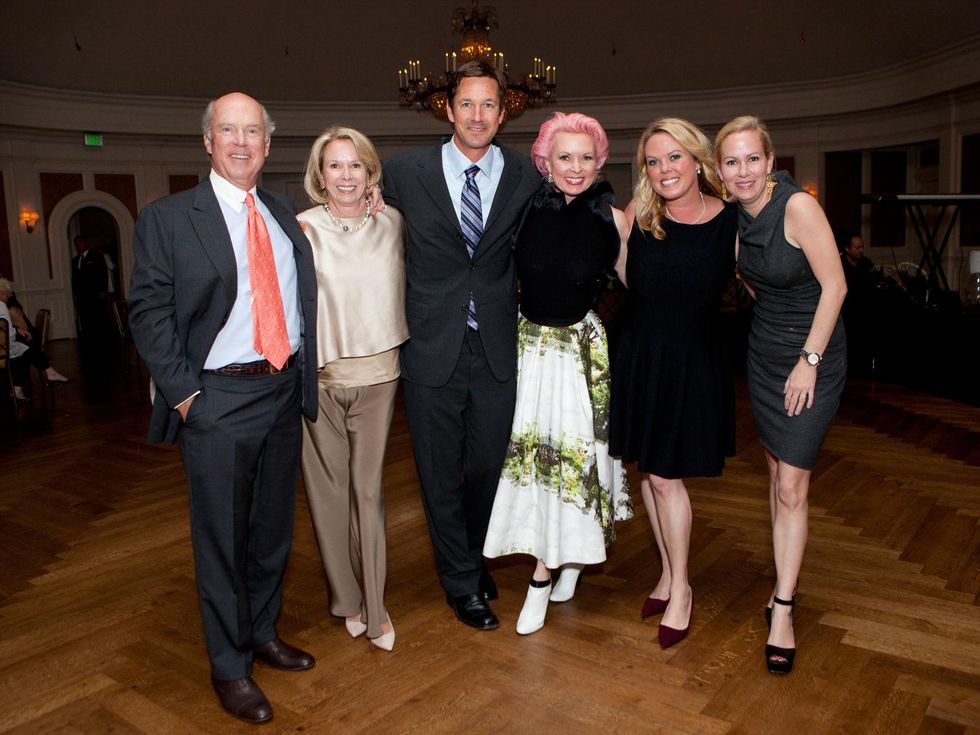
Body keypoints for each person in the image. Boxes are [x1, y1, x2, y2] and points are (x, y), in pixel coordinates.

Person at [128, 92, 319, 724]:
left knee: (271, 532)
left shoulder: (283, 211)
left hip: (282, 390)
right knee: (222, 541)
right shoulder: (168, 218)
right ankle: (229, 666)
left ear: (268, 144)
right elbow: (149, 314)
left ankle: (261, 632)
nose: (241, 142)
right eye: (228, 131)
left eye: (252, 132)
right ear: (208, 142)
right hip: (217, 399)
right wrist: (187, 397)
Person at [382, 60, 541, 631]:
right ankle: (461, 581)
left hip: (498, 346)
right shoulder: (404, 172)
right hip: (430, 346)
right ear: (448, 108)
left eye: (488, 105)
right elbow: (355, 211)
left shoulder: (526, 174)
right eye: (467, 104)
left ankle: (470, 557)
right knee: (436, 471)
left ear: (503, 112)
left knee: (488, 468)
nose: (477, 115)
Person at [482, 112, 632, 635]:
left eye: (586, 158)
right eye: (565, 157)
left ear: (600, 162)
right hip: (528, 349)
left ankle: (543, 577)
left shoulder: (614, 219)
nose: (576, 167)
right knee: (532, 461)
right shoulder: (525, 210)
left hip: (580, 354)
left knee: (571, 461)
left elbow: (644, 287)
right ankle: (565, 559)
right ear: (545, 161)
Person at [716, 115, 846, 674]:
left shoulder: (797, 208)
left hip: (813, 354)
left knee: (792, 483)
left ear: (770, 162)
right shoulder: (733, 219)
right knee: (775, 475)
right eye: (732, 161)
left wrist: (809, 362)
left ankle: (785, 608)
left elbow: (836, 285)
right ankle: (782, 581)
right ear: (720, 170)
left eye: (752, 159)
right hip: (766, 353)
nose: (743, 171)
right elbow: (751, 282)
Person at [608, 118, 736, 649]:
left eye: (674, 157)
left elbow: (763, 281)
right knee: (651, 471)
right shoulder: (639, 216)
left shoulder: (732, 221)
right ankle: (667, 574)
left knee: (664, 477)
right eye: (654, 161)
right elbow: (627, 280)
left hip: (693, 361)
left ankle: (682, 588)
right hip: (641, 356)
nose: (664, 169)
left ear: (698, 161)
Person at [297, 126, 408, 652]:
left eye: (355, 165)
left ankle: (377, 606)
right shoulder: (300, 228)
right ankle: (348, 600)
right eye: (335, 165)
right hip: (320, 378)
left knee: (367, 491)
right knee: (328, 494)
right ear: (320, 175)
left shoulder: (394, 222)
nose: (345, 175)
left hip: (379, 378)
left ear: (370, 172)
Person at [0, 279, 71, 389]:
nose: (8, 297)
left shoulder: (5, 307)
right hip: (3, 349)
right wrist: (16, 330)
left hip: (5, 344)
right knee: (27, 347)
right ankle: (45, 372)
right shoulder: (4, 307)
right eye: (6, 295)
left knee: (26, 344)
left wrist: (16, 330)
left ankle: (19, 387)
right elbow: (7, 333)